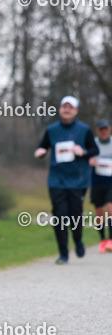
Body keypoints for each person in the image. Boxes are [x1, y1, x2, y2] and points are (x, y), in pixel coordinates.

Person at [33, 96, 99, 264]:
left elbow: (94, 150)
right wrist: (40, 152)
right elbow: (43, 146)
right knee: (59, 216)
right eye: (64, 107)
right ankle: (63, 253)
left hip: (78, 180)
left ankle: (78, 240)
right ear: (60, 109)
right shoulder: (52, 130)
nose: (67, 110)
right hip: (57, 180)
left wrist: (83, 152)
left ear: (76, 111)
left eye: (71, 107)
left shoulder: (84, 130)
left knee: (75, 216)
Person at [88, 119, 112, 252]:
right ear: (98, 131)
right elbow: (86, 157)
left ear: (109, 130)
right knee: (99, 214)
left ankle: (111, 240)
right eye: (101, 129)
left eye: (106, 129)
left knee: (110, 208)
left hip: (111, 182)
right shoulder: (94, 143)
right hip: (96, 181)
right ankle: (102, 239)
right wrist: (89, 161)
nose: (104, 132)